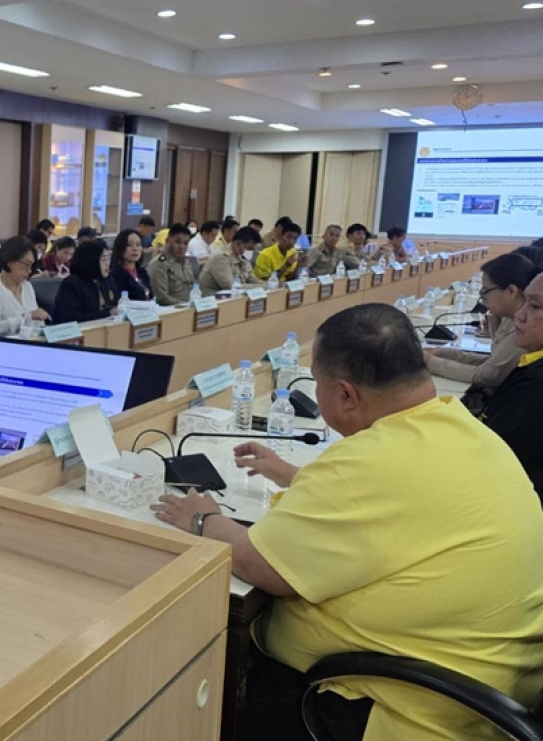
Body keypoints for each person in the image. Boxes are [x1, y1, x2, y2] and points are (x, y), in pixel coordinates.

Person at [152, 303, 543, 741]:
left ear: (345, 395)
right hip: (490, 691)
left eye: (317, 383)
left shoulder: (369, 463)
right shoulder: (460, 427)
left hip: (406, 712)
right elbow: (397, 498)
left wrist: (203, 517)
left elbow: (261, 565)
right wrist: (294, 474)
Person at [427, 253, 538, 413]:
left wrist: (430, 361)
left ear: (511, 291)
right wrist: (441, 352)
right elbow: (493, 361)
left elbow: (486, 375)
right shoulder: (508, 317)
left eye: (486, 291)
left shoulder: (522, 326)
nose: (483, 299)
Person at [480, 271, 543, 499]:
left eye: (534, 306)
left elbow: (490, 456)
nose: (520, 315)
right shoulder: (532, 363)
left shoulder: (536, 389)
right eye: (524, 302)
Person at [0, 237, 50, 336]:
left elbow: (38, 323)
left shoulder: (27, 286)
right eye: (26, 265)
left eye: (31, 266)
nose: (30, 271)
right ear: (10, 262)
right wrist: (27, 317)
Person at [53, 241, 118, 324]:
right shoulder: (71, 284)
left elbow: (114, 305)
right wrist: (107, 313)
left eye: (107, 259)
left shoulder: (106, 280)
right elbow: (71, 319)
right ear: (90, 261)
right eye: (103, 259)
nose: (107, 264)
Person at [200, 226, 262, 292]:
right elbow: (229, 286)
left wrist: (264, 285)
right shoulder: (221, 257)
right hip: (215, 296)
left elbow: (251, 277)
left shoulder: (241, 257)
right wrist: (257, 287)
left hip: (234, 296)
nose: (250, 251)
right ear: (238, 243)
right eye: (249, 248)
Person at [148, 226, 194, 306]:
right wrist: (185, 306)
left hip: (186, 307)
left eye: (185, 243)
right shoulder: (159, 263)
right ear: (167, 241)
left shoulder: (185, 262)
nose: (182, 247)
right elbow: (162, 298)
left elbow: (190, 287)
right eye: (178, 242)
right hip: (169, 309)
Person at [109, 229, 152, 301]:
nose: (135, 249)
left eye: (138, 245)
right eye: (129, 245)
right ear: (120, 248)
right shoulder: (115, 274)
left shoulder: (142, 272)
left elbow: (151, 296)